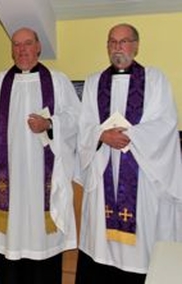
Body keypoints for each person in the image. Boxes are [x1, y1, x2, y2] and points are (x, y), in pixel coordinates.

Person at [75, 23, 182, 284]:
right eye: (112, 42)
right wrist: (101, 135)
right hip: (103, 171)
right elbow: (84, 125)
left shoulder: (155, 79)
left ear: (136, 45)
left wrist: (129, 135)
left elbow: (165, 123)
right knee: (100, 241)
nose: (117, 47)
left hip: (141, 174)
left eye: (123, 41)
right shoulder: (93, 82)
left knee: (142, 237)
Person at [0, 27, 80, 284]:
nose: (22, 50)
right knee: (11, 237)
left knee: (41, 237)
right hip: (7, 177)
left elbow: (77, 119)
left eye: (27, 44)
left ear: (38, 47)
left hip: (42, 177)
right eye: (16, 45)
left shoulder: (57, 80)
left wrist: (50, 124)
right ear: (12, 50)